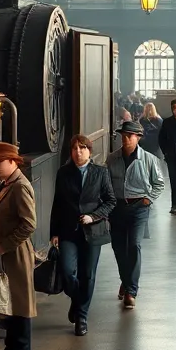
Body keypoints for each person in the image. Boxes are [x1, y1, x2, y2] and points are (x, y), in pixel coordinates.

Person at [49, 135, 116, 335]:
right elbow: (57, 204)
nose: (78, 152)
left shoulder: (100, 172)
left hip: (92, 231)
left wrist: (94, 216)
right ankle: (77, 301)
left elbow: (110, 201)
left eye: (82, 148)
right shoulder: (64, 173)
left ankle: (81, 317)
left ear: (89, 150)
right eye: (74, 148)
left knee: (88, 275)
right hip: (68, 230)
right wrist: (54, 232)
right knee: (68, 271)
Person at [0, 142, 37, 350]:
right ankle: (11, 348)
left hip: (15, 254)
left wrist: (4, 245)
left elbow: (29, 224)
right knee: (9, 302)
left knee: (20, 304)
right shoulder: (8, 184)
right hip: (7, 254)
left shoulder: (19, 187)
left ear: (13, 161)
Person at [106, 120, 166, 309]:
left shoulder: (148, 159)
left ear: (138, 137)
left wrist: (147, 199)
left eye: (129, 136)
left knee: (133, 244)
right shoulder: (112, 159)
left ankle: (131, 290)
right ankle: (125, 279)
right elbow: (106, 184)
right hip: (117, 207)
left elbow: (159, 183)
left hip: (139, 207)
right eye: (123, 136)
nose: (125, 139)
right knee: (118, 247)